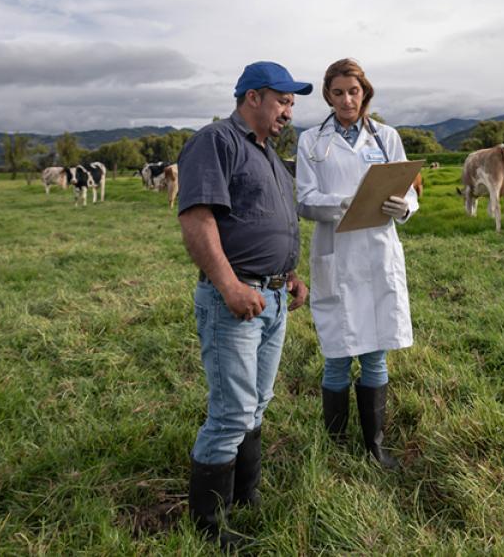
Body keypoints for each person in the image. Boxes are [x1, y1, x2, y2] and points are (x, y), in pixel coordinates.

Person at [176, 60, 311, 546]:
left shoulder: (271, 155)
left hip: (272, 298)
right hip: (235, 299)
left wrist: (291, 275)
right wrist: (231, 286)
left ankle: (244, 497)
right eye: (282, 100)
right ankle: (208, 529)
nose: (288, 111)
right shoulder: (217, 141)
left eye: (293, 103)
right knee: (232, 411)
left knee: (258, 405)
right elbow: (196, 217)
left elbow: (270, 221)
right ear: (253, 97)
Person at [295, 58, 419, 469]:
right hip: (337, 254)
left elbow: (408, 191)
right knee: (336, 353)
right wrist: (343, 204)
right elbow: (304, 200)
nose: (347, 100)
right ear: (328, 96)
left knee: (375, 354)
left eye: (354, 91)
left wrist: (404, 206)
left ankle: (375, 446)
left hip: (378, 252)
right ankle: (333, 448)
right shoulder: (311, 141)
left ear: (365, 92)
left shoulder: (386, 137)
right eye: (337, 92)